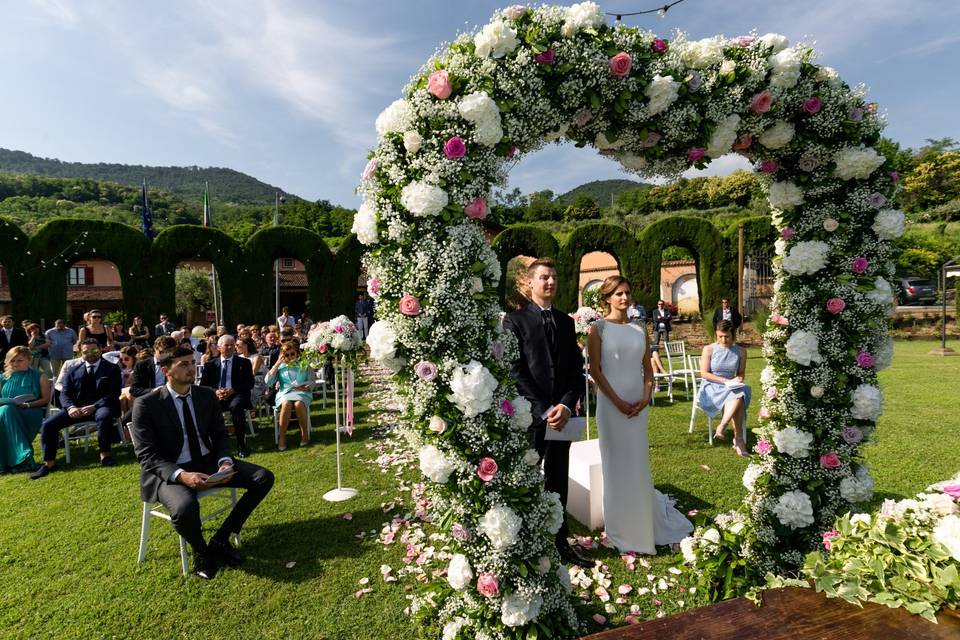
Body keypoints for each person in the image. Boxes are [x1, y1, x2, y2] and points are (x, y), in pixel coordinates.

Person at [131, 346, 275, 580]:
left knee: (263, 477)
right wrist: (181, 475)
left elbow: (219, 435)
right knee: (184, 509)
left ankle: (220, 538)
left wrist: (225, 462)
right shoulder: (147, 404)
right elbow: (147, 455)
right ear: (166, 370)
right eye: (184, 364)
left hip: (208, 462)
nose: (191, 369)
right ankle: (202, 552)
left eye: (192, 362)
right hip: (169, 472)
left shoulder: (205, 395)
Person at [587, 276, 693, 554]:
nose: (624, 297)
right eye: (618, 293)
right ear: (607, 298)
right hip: (611, 407)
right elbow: (595, 371)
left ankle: (643, 520)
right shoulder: (597, 330)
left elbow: (648, 369)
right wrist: (618, 402)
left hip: (638, 406)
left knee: (637, 462)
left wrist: (646, 398)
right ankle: (622, 528)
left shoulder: (639, 330)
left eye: (627, 292)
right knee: (615, 465)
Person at [503, 258, 589, 568]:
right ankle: (526, 542)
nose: (550, 282)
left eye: (553, 276)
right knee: (526, 479)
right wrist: (545, 409)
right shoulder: (514, 321)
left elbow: (576, 372)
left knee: (558, 480)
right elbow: (514, 371)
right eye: (543, 277)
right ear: (530, 283)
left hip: (563, 418)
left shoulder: (567, 322)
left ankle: (560, 541)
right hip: (532, 417)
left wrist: (566, 404)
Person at [31, 338, 123, 477]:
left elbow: (114, 393)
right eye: (86, 351)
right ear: (80, 352)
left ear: (100, 350)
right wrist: (71, 407)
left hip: (101, 406)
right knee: (49, 425)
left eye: (94, 350)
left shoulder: (112, 368)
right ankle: (49, 463)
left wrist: (95, 406)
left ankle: (105, 455)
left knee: (104, 416)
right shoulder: (73, 370)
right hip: (76, 409)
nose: (90, 354)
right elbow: (64, 394)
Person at [698, 319, 752, 457]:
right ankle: (738, 440)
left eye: (726, 336)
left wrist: (738, 378)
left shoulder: (740, 351)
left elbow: (741, 373)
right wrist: (725, 381)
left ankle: (723, 425)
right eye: (720, 336)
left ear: (733, 334)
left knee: (740, 392)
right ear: (716, 335)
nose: (723, 340)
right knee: (738, 395)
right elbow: (704, 373)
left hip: (731, 386)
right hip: (712, 386)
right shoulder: (709, 349)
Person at [199, 335, 254, 458]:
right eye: (226, 345)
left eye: (232, 345)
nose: (230, 347)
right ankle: (213, 445)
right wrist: (215, 391)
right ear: (219, 347)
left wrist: (233, 390)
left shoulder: (244, 363)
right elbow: (203, 386)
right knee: (207, 408)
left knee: (236, 406)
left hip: (236, 395)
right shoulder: (210, 364)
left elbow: (250, 383)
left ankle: (241, 445)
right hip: (217, 396)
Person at [0, 346, 51, 473]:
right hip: (6, 413)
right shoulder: (2, 378)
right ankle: (19, 460)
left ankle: (22, 460)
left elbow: (46, 399)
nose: (15, 363)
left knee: (6, 411)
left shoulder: (40, 376)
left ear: (29, 360)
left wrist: (28, 405)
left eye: (19, 360)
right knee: (7, 409)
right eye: (12, 360)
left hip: (30, 412)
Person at [265, 343, 314, 451]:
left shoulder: (304, 364)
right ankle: (282, 437)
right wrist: (277, 363)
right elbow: (268, 382)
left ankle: (305, 434)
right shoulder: (280, 367)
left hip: (302, 393)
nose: (290, 357)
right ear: (282, 356)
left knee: (298, 403)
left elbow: (312, 381)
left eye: (292, 354)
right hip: (284, 392)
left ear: (296, 353)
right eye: (286, 355)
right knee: (286, 403)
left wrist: (307, 386)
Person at [130, 335, 178, 400]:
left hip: (171, 400)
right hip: (150, 400)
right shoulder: (141, 365)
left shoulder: (176, 364)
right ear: (155, 348)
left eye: (168, 352)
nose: (164, 355)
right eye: (161, 352)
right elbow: (134, 390)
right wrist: (153, 391)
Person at [236, 336, 266, 409]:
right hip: (244, 382)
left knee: (246, 389)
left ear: (245, 345)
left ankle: (250, 408)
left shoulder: (257, 357)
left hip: (257, 382)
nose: (235, 347)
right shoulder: (239, 357)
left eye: (237, 345)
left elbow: (253, 374)